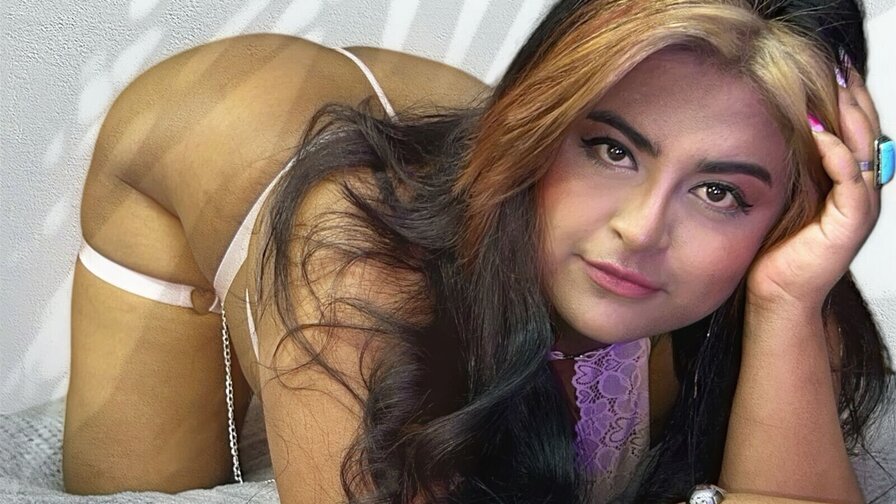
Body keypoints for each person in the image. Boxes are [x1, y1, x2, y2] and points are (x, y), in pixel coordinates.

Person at [62, 0, 893, 502]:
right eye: (610, 148)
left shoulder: (777, 270)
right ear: (539, 129)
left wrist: (789, 300)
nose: (642, 230)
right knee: (129, 489)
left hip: (454, 146)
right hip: (205, 128)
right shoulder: (360, 270)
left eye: (720, 192)